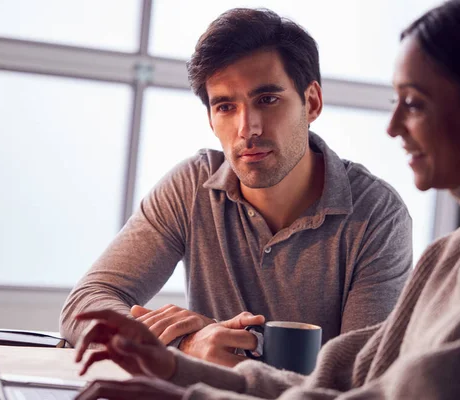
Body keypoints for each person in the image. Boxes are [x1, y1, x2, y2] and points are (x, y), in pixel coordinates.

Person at [70, 0, 460, 398]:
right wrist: (183, 360)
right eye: (226, 106)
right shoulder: (445, 259)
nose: (247, 128)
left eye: (414, 103)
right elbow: (342, 382)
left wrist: (187, 387)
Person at [59, 7, 412, 367]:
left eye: (267, 100)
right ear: (211, 119)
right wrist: (187, 341)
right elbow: (87, 302)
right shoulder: (191, 187)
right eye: (226, 106)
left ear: (312, 102)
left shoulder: (377, 214)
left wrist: (240, 351)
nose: (248, 128)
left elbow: (363, 372)